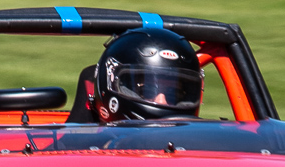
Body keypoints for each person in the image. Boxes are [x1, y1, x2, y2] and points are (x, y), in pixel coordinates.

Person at [68, 27, 203, 123]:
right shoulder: (74, 155)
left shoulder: (206, 151)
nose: (162, 101)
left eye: (175, 94)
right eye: (147, 90)